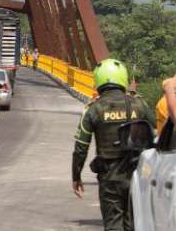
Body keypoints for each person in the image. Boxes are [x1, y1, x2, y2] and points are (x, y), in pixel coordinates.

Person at [72, 59, 155, 231]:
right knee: (134, 224)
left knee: (113, 225)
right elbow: (157, 130)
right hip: (136, 175)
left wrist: (76, 176)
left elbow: (81, 147)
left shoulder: (93, 109)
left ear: (98, 81)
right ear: (122, 78)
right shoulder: (139, 104)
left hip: (110, 177)